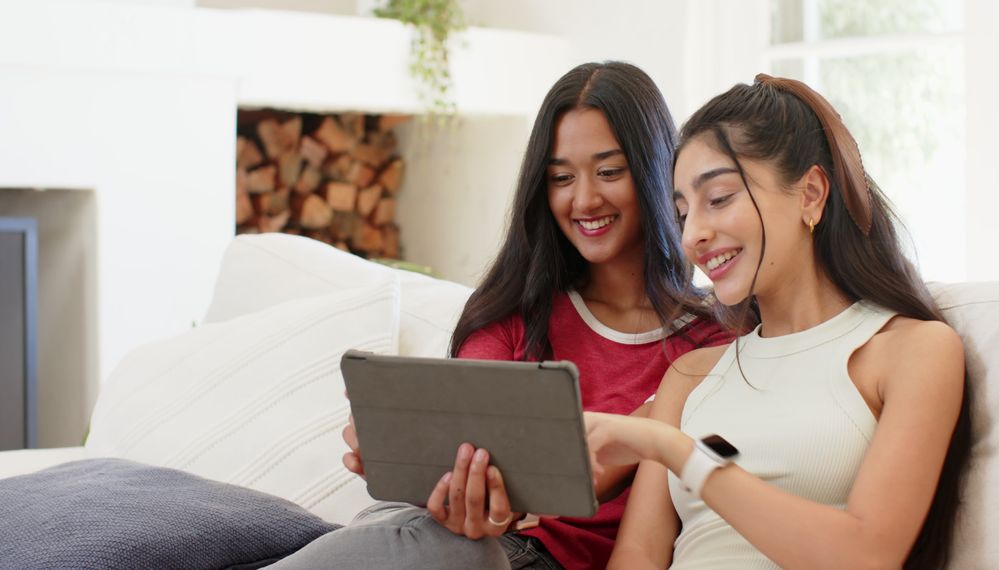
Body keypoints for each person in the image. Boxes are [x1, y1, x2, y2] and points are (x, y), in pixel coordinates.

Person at [269, 61, 732, 570]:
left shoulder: (712, 343)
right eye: (561, 177)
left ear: (653, 171)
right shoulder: (513, 309)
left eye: (608, 171)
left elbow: (619, 478)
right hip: (437, 536)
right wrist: (404, 450)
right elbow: (461, 449)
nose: (583, 199)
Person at [585, 74, 972, 569]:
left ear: (810, 193)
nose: (693, 237)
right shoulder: (691, 376)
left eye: (719, 198)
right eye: (682, 214)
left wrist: (677, 451)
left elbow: (866, 555)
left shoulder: (912, 351)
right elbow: (637, 556)